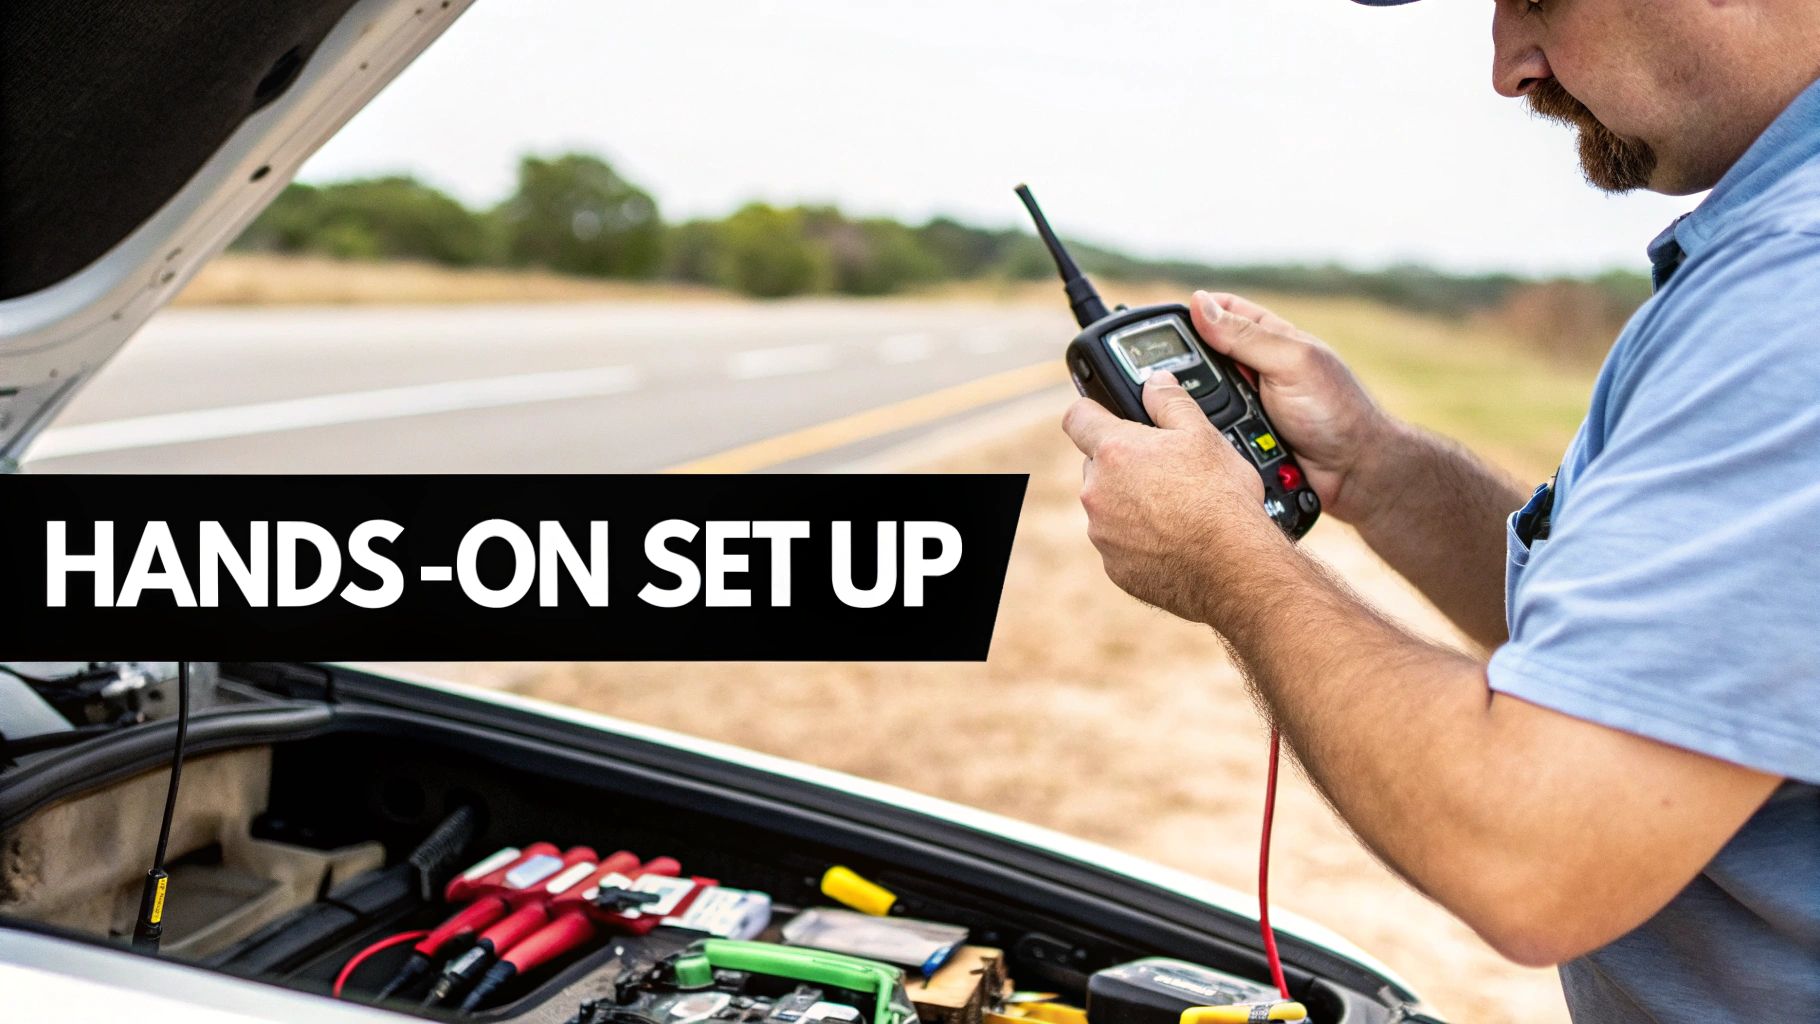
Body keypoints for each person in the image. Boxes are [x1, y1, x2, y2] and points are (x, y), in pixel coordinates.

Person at [1060, 1, 1820, 1021]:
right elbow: (1666, 671)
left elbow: (1535, 851)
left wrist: (1223, 556)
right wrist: (1378, 469)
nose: (1508, 66)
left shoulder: (1790, 290)